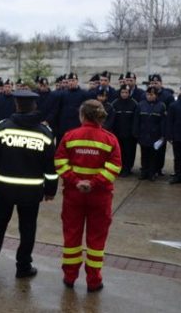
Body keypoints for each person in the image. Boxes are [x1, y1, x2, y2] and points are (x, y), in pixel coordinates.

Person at [0, 89, 57, 278]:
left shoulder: (3, 128)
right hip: (31, 191)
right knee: (28, 229)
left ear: (16, 105)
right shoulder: (45, 133)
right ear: (34, 106)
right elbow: (50, 167)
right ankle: (23, 267)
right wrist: (50, 190)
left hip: (3, 189)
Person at [54, 99, 122, 292]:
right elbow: (114, 167)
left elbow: (60, 163)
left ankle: (69, 277)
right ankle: (94, 281)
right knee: (96, 240)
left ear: (82, 115)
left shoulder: (70, 136)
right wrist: (93, 184)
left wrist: (76, 181)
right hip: (100, 197)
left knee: (71, 237)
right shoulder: (110, 139)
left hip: (73, 195)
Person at [133, 87, 167, 181]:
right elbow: (137, 120)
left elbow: (163, 122)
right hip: (143, 134)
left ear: (156, 95)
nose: (149, 96)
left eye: (151, 94)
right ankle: (144, 172)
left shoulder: (161, 106)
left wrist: (163, 135)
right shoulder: (140, 105)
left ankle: (152, 173)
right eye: (148, 94)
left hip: (155, 135)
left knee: (153, 155)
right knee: (144, 155)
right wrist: (136, 132)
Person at [110, 85, 138, 177]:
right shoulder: (115, 103)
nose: (124, 94)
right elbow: (112, 119)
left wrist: (134, 132)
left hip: (129, 134)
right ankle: (119, 168)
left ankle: (127, 168)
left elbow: (136, 120)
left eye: (126, 92)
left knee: (129, 152)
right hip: (118, 133)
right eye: (122, 92)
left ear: (129, 93)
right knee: (119, 152)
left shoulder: (134, 104)